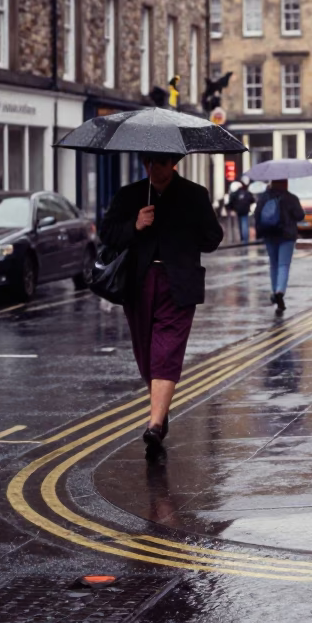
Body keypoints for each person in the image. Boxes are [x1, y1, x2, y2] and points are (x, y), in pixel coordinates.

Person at [99, 152, 223, 458]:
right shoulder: (130, 195)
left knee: (166, 349)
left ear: (174, 164)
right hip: (138, 283)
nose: (155, 169)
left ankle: (154, 425)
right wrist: (135, 224)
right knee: (146, 353)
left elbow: (212, 239)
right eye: (150, 163)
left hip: (178, 284)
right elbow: (107, 234)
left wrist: (187, 225)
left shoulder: (194, 195)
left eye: (162, 164)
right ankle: (160, 409)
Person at [254, 179, 304, 313]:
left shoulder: (264, 197)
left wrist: (260, 232)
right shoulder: (291, 197)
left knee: (274, 264)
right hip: (287, 235)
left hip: (269, 235)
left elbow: (257, 215)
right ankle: (279, 291)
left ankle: (275, 290)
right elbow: (300, 215)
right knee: (283, 264)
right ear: (285, 183)